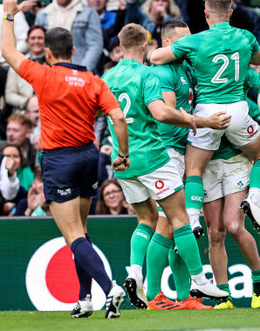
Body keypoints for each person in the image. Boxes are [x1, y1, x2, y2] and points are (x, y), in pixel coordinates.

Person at [1, 0, 129, 319]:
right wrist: (122, 154)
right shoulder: (94, 80)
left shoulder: (42, 74)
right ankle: (84, 298)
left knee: (72, 236)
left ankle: (109, 287)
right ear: (73, 50)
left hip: (60, 159)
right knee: (82, 232)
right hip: (89, 158)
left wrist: (10, 13)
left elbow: (7, 50)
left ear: (49, 53)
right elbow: (117, 117)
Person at [102, 22, 230, 310]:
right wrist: (199, 121)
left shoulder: (107, 77)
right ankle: (198, 279)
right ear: (146, 46)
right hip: (154, 156)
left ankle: (135, 273)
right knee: (180, 219)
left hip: (125, 162)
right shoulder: (147, 74)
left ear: (121, 46)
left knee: (146, 220)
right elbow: (160, 113)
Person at [150, 0, 260, 236]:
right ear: (230, 12)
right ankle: (255, 199)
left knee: (193, 170)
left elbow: (155, 57)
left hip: (207, 113)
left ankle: (193, 219)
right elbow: (258, 60)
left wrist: (179, 50)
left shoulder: (194, 41)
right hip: (237, 110)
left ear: (206, 14)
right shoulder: (246, 36)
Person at [202, 144, 260, 309]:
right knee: (214, 233)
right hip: (206, 162)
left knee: (233, 225)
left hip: (235, 159)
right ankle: (223, 295)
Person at [34, 0, 103, 73]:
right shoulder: (43, 14)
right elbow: (38, 45)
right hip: (50, 72)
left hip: (78, 69)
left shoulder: (89, 13)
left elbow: (95, 46)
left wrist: (82, 71)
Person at [5, 25, 46, 113]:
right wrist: (27, 102)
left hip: (48, 112)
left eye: (40, 38)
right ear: (27, 41)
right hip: (23, 112)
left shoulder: (53, 64)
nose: (36, 41)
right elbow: (9, 95)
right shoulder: (17, 63)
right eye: (33, 38)